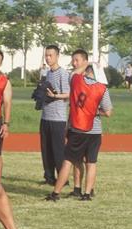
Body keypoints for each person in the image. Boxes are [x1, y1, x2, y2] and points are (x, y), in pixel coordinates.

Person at [47, 55, 113, 202]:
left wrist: (88, 62)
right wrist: (94, 111)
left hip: (77, 129)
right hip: (94, 131)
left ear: (85, 70)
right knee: (91, 162)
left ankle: (56, 193)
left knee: (68, 161)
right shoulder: (102, 89)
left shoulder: (76, 81)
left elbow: (74, 73)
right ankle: (87, 193)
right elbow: (108, 112)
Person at [40, 45, 70, 187]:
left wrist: (55, 95)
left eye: (50, 55)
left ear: (57, 56)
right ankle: (49, 177)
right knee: (46, 149)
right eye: (46, 55)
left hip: (58, 118)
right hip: (46, 116)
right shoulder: (47, 73)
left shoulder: (63, 73)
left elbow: (68, 94)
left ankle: (63, 179)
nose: (48, 58)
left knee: (58, 150)